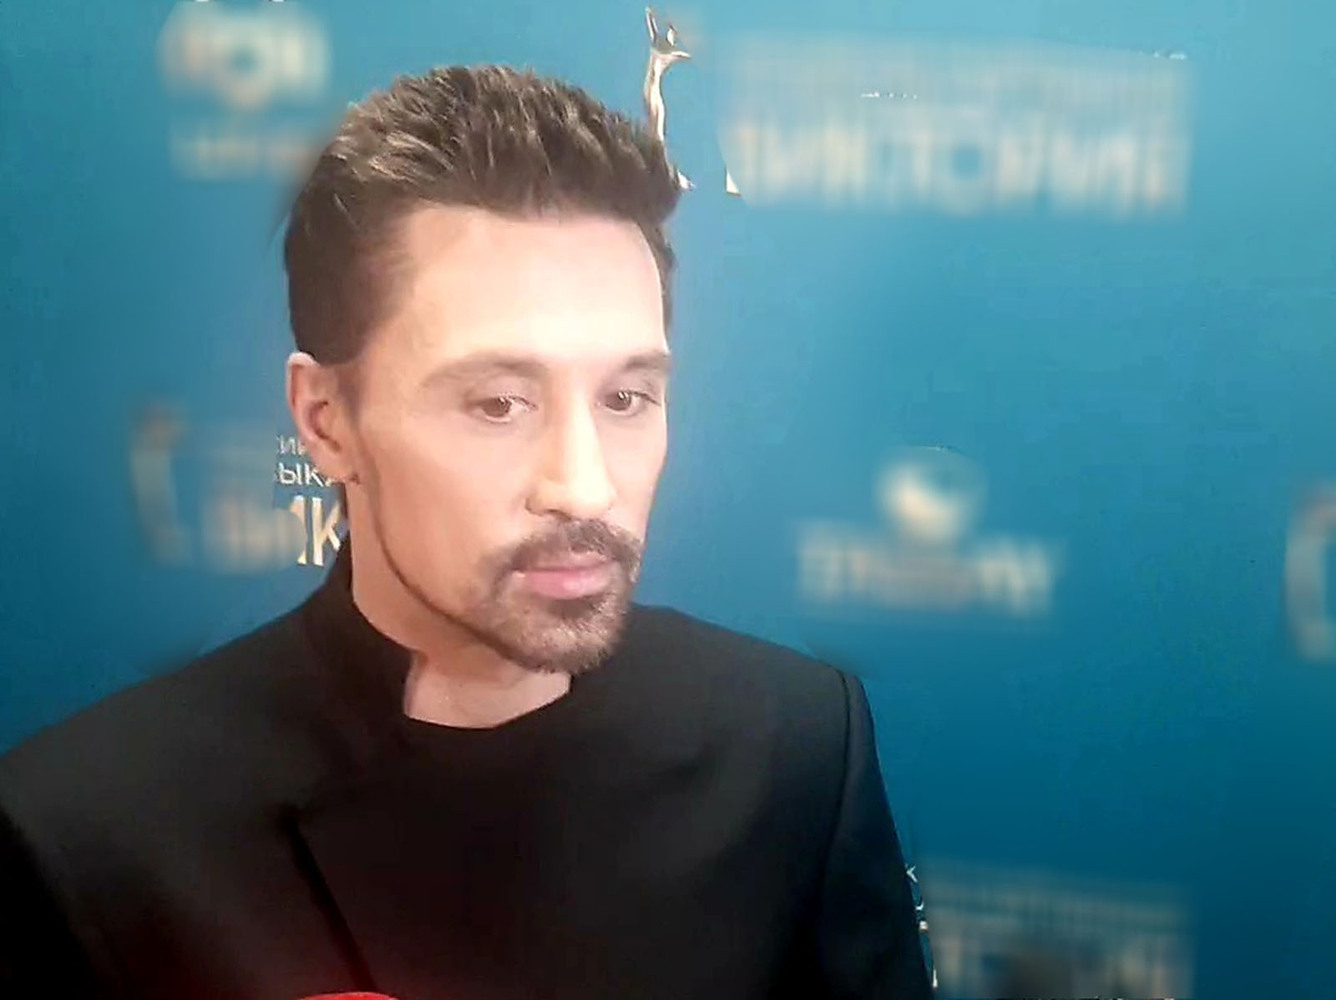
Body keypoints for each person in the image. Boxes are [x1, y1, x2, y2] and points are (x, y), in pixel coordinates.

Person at [0, 66, 932, 1000]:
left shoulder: (798, 747)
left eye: (626, 398)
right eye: (497, 403)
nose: (584, 487)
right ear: (326, 421)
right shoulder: (87, 838)